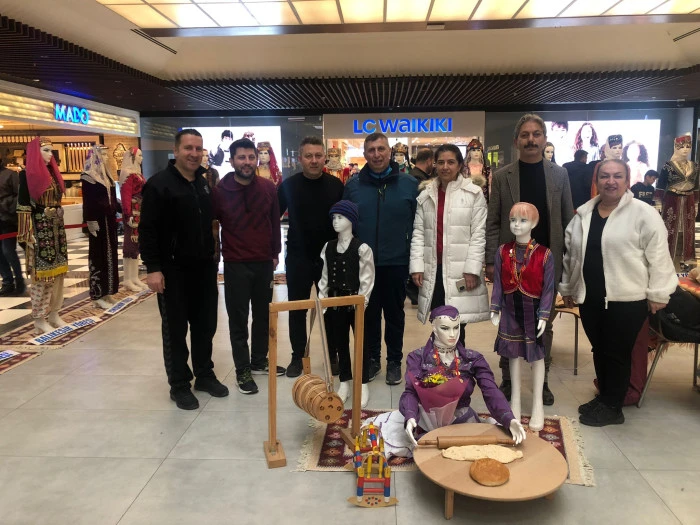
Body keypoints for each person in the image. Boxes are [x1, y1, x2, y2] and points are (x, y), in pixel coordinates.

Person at [560, 159, 677, 426]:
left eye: (617, 176)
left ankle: (614, 406)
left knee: (617, 352)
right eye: (604, 176)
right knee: (599, 348)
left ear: (627, 180)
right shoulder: (583, 215)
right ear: (596, 180)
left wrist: (659, 293)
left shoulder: (643, 214)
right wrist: (567, 287)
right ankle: (605, 396)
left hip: (627, 299)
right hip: (590, 296)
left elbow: (659, 256)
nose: (610, 181)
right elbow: (571, 257)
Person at [485, 113, 574, 406]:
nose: (531, 140)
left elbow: (567, 219)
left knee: (543, 322)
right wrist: (490, 261)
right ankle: (508, 379)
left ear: (545, 139)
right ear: (516, 141)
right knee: (509, 321)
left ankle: (541, 379)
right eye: (525, 135)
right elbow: (494, 222)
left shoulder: (560, 175)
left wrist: (568, 264)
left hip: (547, 262)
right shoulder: (502, 177)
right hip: (511, 261)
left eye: (536, 134)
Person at [140, 129, 228, 410]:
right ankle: (179, 384)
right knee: (175, 329)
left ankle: (204, 375)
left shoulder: (203, 183)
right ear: (176, 151)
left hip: (203, 268)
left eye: (198, 148)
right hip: (173, 270)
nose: (194, 153)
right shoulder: (159, 185)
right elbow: (147, 229)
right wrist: (153, 268)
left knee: (205, 325)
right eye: (188, 148)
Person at [371, 305, 526, 457]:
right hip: (425, 422)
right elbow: (410, 392)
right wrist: (411, 416)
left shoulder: (473, 359)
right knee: (427, 456)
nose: (452, 334)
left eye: (456, 327)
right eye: (445, 328)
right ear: (434, 328)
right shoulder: (417, 358)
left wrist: (509, 419)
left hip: (461, 423)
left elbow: (491, 391)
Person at [343, 132, 418, 385]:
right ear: (365, 154)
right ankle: (373, 359)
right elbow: (345, 225)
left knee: (395, 315)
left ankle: (394, 361)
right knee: (369, 315)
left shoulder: (409, 184)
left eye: (381, 149)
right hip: (363, 264)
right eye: (371, 150)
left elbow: (418, 226)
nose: (377, 154)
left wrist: (414, 259)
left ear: (390, 152)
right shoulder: (353, 186)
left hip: (396, 261)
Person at [213, 137, 284, 395]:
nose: (247, 162)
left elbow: (274, 222)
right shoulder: (220, 191)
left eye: (251, 157)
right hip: (236, 264)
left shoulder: (267, 187)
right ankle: (242, 370)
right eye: (241, 157)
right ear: (232, 160)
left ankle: (259, 361)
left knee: (264, 315)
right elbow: (214, 225)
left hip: (263, 261)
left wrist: (275, 253)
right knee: (239, 319)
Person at [410, 144, 489, 347]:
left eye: (451, 162)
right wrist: (417, 266)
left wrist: (472, 270)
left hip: (461, 270)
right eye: (441, 162)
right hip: (434, 269)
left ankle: (457, 362)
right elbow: (419, 233)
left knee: (457, 322)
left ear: (460, 165)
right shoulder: (426, 195)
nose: (445, 167)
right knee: (439, 320)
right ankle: (440, 362)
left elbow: (479, 234)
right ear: (435, 165)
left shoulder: (473, 194)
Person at [278, 136, 344, 378]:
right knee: (297, 309)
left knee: (332, 310)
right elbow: (272, 218)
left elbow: (345, 222)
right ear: (300, 158)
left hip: (330, 257)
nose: (314, 160)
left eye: (318, 155)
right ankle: (298, 356)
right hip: (299, 257)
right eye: (308, 156)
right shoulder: (288, 186)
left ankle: (333, 354)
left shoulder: (336, 186)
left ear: (324, 157)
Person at [490, 203, 554, 432]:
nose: (517, 225)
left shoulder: (544, 254)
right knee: (512, 354)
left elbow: (549, 288)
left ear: (534, 223)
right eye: (513, 220)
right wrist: (495, 307)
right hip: (509, 309)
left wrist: (544, 314)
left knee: (537, 355)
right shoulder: (502, 251)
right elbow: (498, 282)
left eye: (523, 220)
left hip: (533, 310)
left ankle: (537, 404)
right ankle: (515, 401)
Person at [318, 200, 374, 406]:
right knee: (340, 342)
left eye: (340, 217)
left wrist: (361, 303)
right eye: (333, 217)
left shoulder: (362, 248)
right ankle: (344, 382)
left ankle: (363, 382)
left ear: (351, 220)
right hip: (335, 303)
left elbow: (367, 279)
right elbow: (324, 276)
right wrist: (322, 300)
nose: (335, 221)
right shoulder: (328, 247)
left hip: (356, 304)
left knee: (361, 344)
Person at [17, 137, 68, 334]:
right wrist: (26, 234)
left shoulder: (53, 173)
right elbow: (23, 206)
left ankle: (54, 312)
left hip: (56, 229)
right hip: (39, 230)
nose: (50, 154)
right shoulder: (27, 174)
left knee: (58, 274)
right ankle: (39, 317)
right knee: (42, 277)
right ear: (34, 153)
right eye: (45, 150)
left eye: (51, 151)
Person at [81, 145, 119, 309]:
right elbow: (88, 202)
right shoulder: (88, 176)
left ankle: (108, 291)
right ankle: (97, 294)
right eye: (103, 154)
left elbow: (112, 198)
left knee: (110, 256)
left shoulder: (106, 176)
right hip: (98, 221)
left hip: (109, 221)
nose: (106, 157)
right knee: (99, 256)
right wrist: (90, 221)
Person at [656, 134, 699, 270]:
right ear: (676, 148)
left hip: (689, 201)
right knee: (669, 228)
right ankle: (666, 258)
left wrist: (696, 203)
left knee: (688, 230)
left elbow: (696, 186)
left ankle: (684, 259)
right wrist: (658, 203)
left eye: (688, 146)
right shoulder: (668, 166)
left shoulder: (695, 166)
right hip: (672, 200)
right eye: (682, 147)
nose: (685, 149)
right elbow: (660, 186)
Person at [119, 147, 148, 293]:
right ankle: (128, 279)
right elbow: (125, 195)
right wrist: (127, 213)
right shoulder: (127, 173)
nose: (141, 158)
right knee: (130, 244)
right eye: (139, 155)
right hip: (132, 211)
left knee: (136, 244)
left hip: (139, 211)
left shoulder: (138, 173)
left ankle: (134, 277)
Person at [0, 162, 25, 296]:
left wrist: (6, 205)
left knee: (8, 251)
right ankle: (7, 282)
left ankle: (19, 280)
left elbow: (19, 195)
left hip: (8, 220)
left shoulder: (10, 174)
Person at [464, 138, 490, 203]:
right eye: (473, 150)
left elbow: (490, 187)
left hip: (483, 200)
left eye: (478, 150)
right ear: (469, 152)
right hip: (467, 199)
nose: (476, 152)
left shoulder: (487, 169)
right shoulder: (463, 168)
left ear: (481, 152)